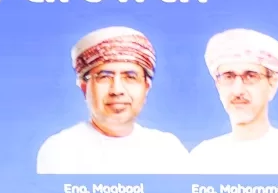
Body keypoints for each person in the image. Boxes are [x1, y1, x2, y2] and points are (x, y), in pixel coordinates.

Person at [36, 26, 189, 173]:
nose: (117, 90)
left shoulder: (169, 150)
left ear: (146, 87)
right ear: (84, 88)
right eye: (104, 77)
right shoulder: (61, 150)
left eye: (130, 77)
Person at [188, 28, 278, 174]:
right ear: (218, 86)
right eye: (228, 76)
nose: (237, 90)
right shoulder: (202, 158)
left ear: (272, 84)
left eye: (251, 76)